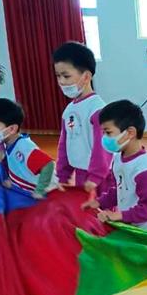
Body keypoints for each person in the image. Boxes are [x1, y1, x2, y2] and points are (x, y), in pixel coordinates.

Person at [88, 100, 147, 234]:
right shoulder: (118, 158)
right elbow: (121, 190)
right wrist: (99, 202)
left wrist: (119, 215)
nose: (104, 138)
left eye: (108, 132)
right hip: (131, 227)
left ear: (130, 132)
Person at [53, 41, 109, 189]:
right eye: (58, 76)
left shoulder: (97, 109)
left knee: (102, 205)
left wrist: (96, 177)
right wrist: (62, 175)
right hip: (81, 175)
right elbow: (64, 145)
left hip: (101, 178)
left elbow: (103, 148)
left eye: (66, 76)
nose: (61, 82)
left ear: (86, 76)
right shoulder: (69, 110)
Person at [0, 97, 55, 205]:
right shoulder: (6, 143)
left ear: (12, 129)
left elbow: (48, 165)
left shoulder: (24, 147)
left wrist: (40, 190)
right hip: (25, 191)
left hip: (45, 195)